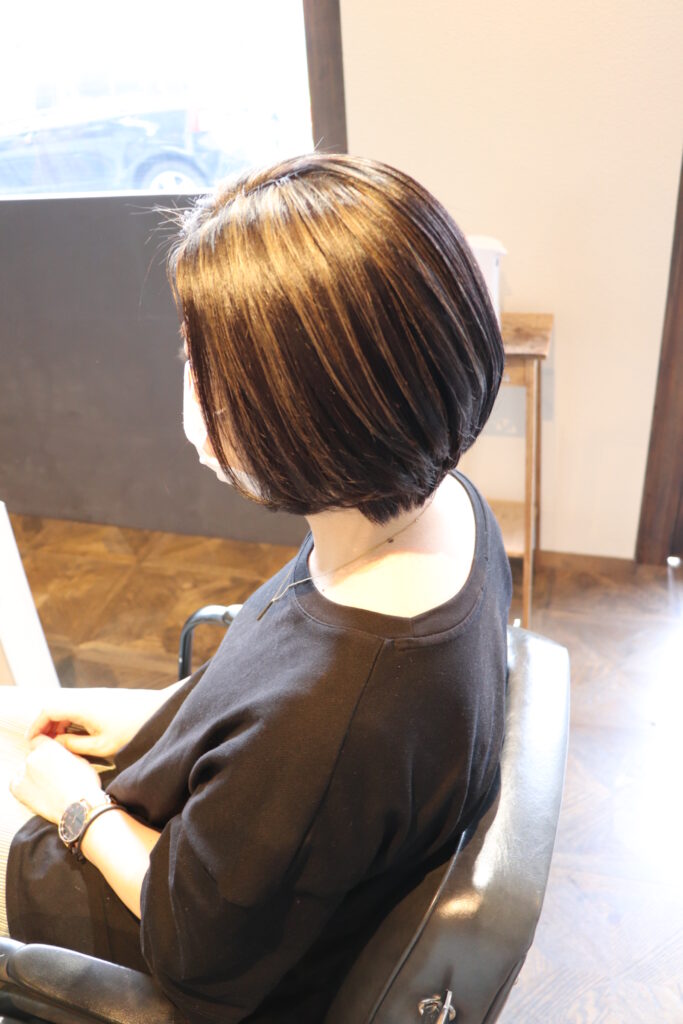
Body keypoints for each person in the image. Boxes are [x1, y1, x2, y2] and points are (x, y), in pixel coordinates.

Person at [1, 152, 512, 1023]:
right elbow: (273, 696)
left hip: (120, 916)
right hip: (209, 818)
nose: (188, 386)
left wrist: (77, 810)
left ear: (308, 410)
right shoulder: (444, 509)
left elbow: (194, 950)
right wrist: (158, 719)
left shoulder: (334, 715)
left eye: (200, 364)